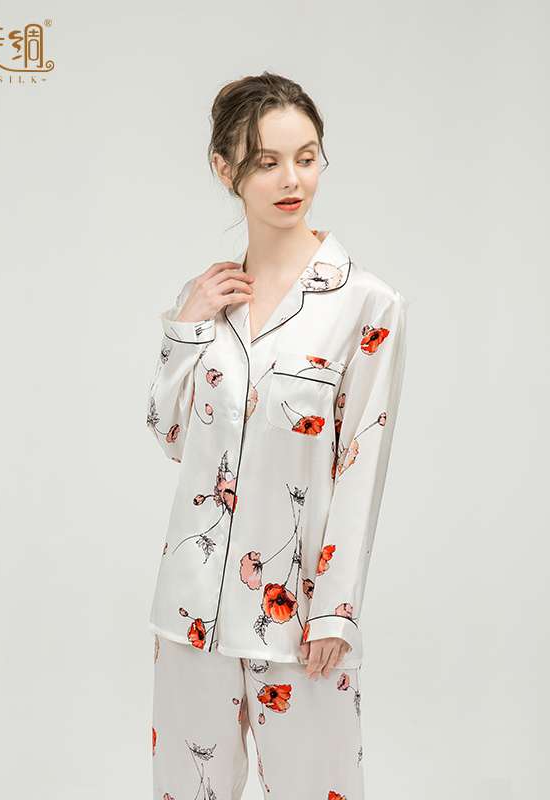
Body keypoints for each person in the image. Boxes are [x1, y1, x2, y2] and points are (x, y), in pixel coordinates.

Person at [145, 71, 409, 799]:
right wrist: (186, 326)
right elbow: (171, 434)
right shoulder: (207, 299)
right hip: (192, 611)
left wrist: (335, 611)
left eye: (307, 157)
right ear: (224, 168)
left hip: (298, 616)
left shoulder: (367, 304)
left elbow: (361, 464)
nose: (292, 179)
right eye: (267, 162)